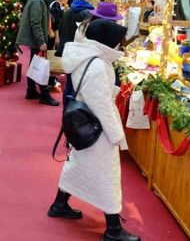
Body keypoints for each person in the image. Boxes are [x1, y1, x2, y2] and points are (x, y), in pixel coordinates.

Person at [49, 18, 140, 241]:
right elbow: (102, 104)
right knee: (107, 174)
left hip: (83, 124)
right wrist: (117, 135)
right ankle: (113, 229)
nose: (120, 46)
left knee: (78, 164)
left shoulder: (86, 55)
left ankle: (60, 203)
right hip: (97, 128)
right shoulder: (98, 64)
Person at [15, 0, 60, 107]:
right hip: (37, 39)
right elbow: (36, 23)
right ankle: (44, 94)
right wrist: (41, 41)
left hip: (35, 38)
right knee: (41, 65)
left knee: (34, 63)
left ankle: (32, 90)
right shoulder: (37, 1)